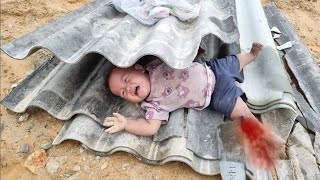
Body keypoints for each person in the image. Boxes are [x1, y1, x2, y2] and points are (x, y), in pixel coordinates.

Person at [104, 42, 266, 136]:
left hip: (213, 68)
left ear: (139, 68)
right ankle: (266, 135)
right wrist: (126, 124)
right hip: (215, 95)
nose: (128, 88)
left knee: (234, 61)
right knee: (242, 112)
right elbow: (150, 127)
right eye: (124, 93)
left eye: (126, 80)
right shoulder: (153, 105)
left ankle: (251, 55)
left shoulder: (154, 64)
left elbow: (173, 48)